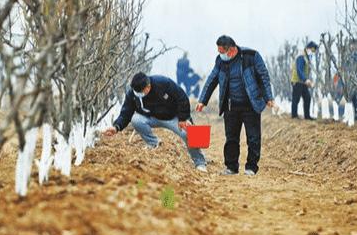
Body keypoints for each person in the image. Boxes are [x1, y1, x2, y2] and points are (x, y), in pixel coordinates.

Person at [196, 35, 275, 176]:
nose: (220, 55)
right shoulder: (220, 61)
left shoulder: (251, 56)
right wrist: (203, 100)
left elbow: (263, 76)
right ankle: (231, 167)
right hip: (231, 105)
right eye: (218, 51)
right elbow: (212, 79)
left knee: (253, 137)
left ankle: (251, 167)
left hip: (251, 104)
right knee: (231, 138)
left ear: (231, 50)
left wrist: (268, 97)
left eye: (222, 52)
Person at [103, 72, 208, 172]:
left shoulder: (163, 83)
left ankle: (200, 162)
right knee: (136, 120)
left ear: (148, 87)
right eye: (136, 92)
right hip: (151, 117)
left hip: (173, 117)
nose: (138, 94)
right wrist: (116, 127)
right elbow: (126, 112)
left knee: (189, 133)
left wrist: (182, 118)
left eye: (141, 92)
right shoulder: (133, 93)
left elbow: (182, 98)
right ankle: (153, 144)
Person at [290, 41, 318, 120]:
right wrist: (305, 79)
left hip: (302, 81)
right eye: (313, 51)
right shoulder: (301, 56)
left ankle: (307, 116)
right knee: (296, 98)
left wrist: (307, 80)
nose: (313, 53)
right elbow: (299, 70)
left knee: (307, 98)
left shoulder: (306, 57)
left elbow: (305, 70)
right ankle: (294, 116)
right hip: (297, 81)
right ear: (308, 48)